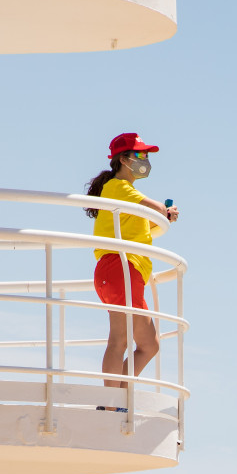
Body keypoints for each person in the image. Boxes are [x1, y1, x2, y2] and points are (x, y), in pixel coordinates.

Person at [84, 132, 180, 401]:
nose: (145, 160)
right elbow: (155, 208)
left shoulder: (126, 196)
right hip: (119, 268)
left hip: (128, 272)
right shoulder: (118, 187)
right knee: (119, 340)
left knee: (149, 345)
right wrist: (164, 211)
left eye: (146, 155)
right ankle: (111, 405)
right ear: (123, 159)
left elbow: (147, 228)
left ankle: (118, 399)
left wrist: (164, 218)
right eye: (139, 154)